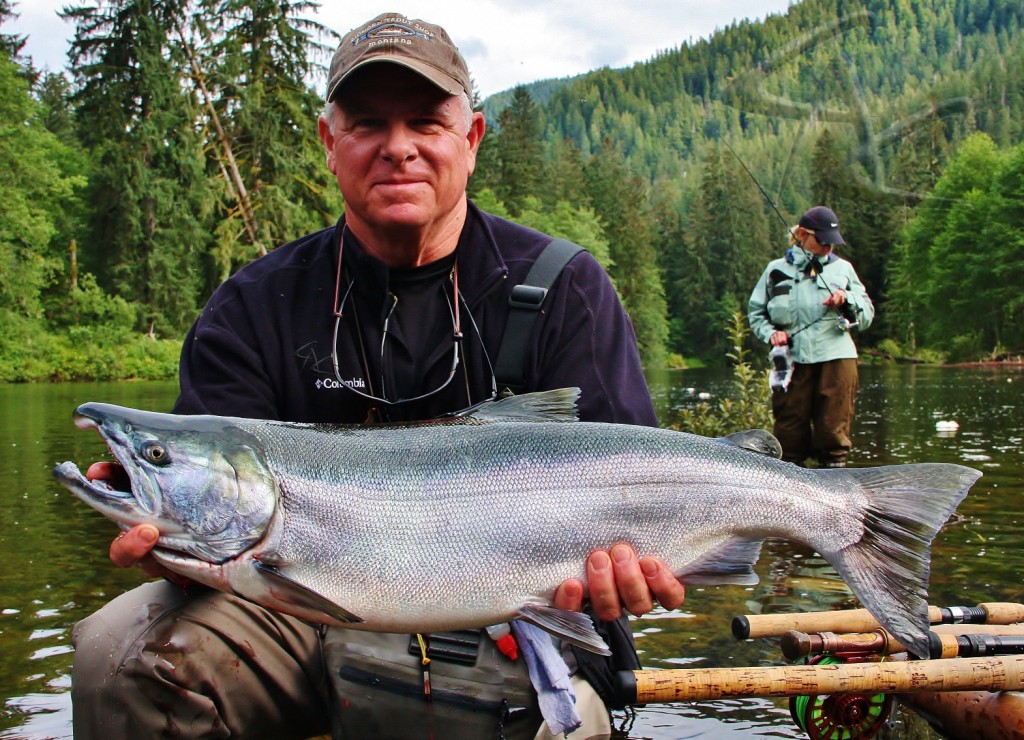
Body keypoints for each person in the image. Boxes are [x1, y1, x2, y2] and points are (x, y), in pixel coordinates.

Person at [70, 13, 685, 740]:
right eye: (367, 124)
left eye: (426, 121)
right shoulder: (253, 306)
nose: (399, 149)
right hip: (289, 610)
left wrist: (636, 565)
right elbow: (227, 539)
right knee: (118, 652)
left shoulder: (564, 288)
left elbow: (640, 485)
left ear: (472, 140)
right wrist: (177, 551)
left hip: (522, 616)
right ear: (331, 144)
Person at [747, 205, 874, 468]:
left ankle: (836, 492)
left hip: (837, 357)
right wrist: (771, 334)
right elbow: (756, 313)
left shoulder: (844, 270)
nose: (830, 248)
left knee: (833, 434)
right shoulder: (775, 270)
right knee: (789, 436)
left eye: (833, 242)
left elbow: (867, 314)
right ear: (803, 235)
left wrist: (847, 298)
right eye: (824, 241)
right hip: (792, 361)